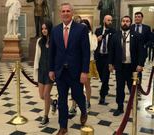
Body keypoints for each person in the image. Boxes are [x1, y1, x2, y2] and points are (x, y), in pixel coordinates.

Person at [49, 3, 90, 135]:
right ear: (60, 13)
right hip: (60, 72)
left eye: (68, 11)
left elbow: (86, 52)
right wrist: (51, 69)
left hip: (76, 71)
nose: (65, 13)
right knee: (62, 100)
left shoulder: (81, 29)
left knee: (77, 96)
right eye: (63, 11)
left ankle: (83, 110)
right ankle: (63, 127)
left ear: (72, 13)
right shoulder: (55, 30)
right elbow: (52, 52)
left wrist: (84, 71)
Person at [108, 16, 146, 116]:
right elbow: (111, 51)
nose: (125, 23)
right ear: (121, 23)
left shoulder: (137, 35)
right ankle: (120, 107)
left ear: (131, 23)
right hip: (120, 67)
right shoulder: (116, 36)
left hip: (132, 67)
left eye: (127, 21)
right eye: (123, 21)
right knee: (119, 88)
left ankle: (133, 104)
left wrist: (140, 64)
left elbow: (142, 51)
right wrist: (110, 64)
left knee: (132, 87)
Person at [33, 20, 57, 126]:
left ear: (49, 29)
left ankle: (46, 116)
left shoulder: (54, 40)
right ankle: (53, 103)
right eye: (42, 28)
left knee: (46, 94)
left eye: (45, 28)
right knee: (42, 96)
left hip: (50, 71)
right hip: (41, 70)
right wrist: (36, 70)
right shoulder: (39, 41)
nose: (44, 30)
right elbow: (37, 57)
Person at [94, 15, 115, 105]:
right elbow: (93, 43)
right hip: (99, 57)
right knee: (101, 75)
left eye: (111, 20)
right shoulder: (98, 30)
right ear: (104, 21)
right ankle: (105, 87)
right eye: (108, 20)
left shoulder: (114, 32)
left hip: (108, 57)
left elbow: (114, 47)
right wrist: (96, 40)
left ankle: (102, 96)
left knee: (106, 77)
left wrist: (113, 62)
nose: (110, 22)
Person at [131, 12, 151, 88]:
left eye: (139, 17)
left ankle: (138, 87)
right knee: (131, 70)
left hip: (142, 53)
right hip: (131, 53)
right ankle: (132, 86)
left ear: (142, 18)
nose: (137, 18)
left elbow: (150, 40)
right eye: (135, 17)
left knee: (139, 70)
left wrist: (145, 46)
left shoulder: (147, 28)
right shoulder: (131, 27)